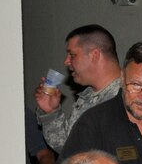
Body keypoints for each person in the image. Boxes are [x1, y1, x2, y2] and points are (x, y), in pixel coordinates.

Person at [34, 24, 123, 153]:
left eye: (72, 55)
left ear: (94, 55)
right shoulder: (87, 98)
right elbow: (69, 148)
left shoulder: (130, 96)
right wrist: (50, 112)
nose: (66, 61)